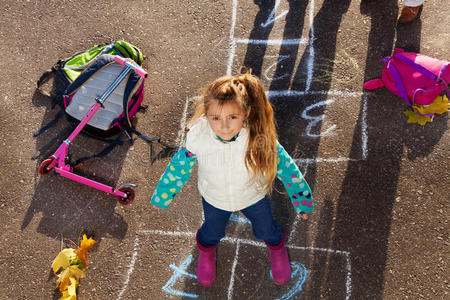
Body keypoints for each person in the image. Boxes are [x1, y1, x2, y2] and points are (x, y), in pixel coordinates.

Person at [150, 70, 314, 286]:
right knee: (212, 231)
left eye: (232, 117)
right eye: (215, 118)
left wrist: (301, 200)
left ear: (246, 113)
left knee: (266, 229)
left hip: (252, 197)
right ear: (206, 115)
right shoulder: (199, 137)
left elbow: (286, 168)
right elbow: (178, 168)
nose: (224, 126)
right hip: (214, 198)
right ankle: (206, 249)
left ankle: (276, 245)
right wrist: (163, 194)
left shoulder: (257, 137)